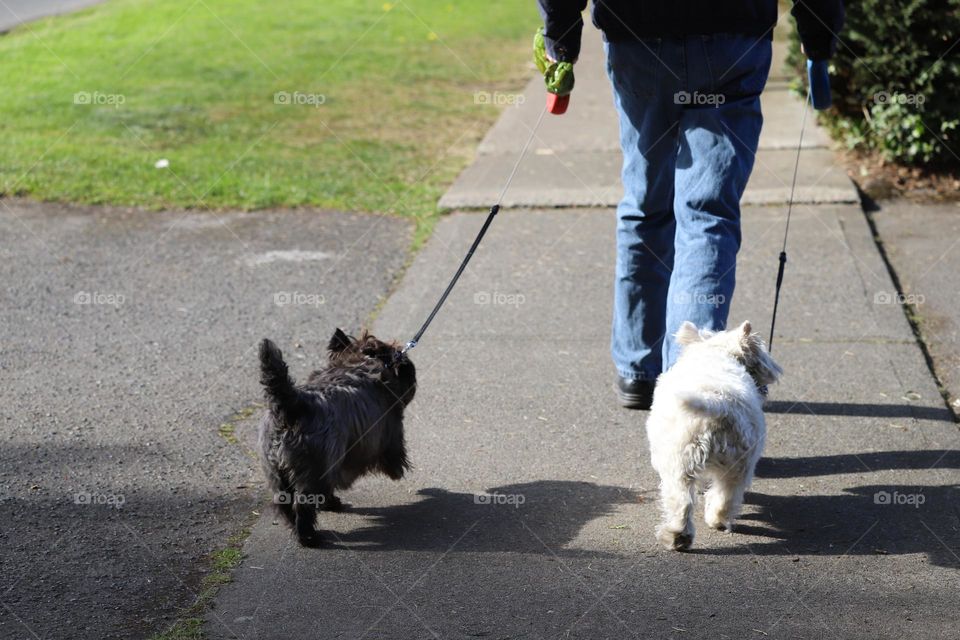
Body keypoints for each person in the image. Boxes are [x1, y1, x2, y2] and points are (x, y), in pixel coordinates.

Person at [536, 0, 844, 409]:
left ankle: (639, 371)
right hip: (733, 34)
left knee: (646, 202)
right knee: (707, 213)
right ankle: (691, 386)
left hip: (639, 33)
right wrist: (818, 32)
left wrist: (560, 33)